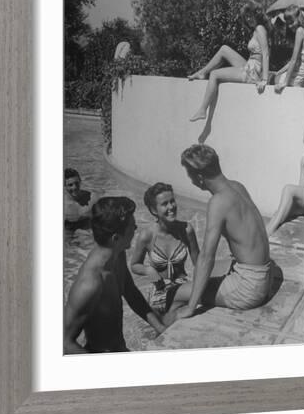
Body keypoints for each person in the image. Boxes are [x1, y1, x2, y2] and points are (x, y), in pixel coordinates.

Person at [163, 144, 272, 325]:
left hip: (249, 288)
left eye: (189, 174)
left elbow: (207, 256)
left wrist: (191, 306)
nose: (190, 179)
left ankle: (164, 333)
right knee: (199, 273)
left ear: (199, 177)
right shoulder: (238, 187)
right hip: (263, 274)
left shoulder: (218, 202)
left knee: (176, 294)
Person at [64, 196, 166, 353]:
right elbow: (65, 343)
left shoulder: (117, 255)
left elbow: (130, 291)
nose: (136, 227)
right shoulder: (89, 285)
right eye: (132, 226)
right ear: (116, 238)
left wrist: (159, 326)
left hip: (119, 350)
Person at [188, 0, 271, 123]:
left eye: (251, 15)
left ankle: (202, 110)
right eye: (246, 17)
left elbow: (266, 53)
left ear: (257, 14)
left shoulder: (260, 29)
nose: (248, 19)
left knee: (215, 74)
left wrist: (264, 80)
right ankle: (201, 72)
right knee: (224, 49)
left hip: (252, 71)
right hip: (250, 65)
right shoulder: (257, 30)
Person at [130, 183, 199, 313]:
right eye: (164, 204)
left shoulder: (186, 230)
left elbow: (199, 262)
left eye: (172, 201)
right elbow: (134, 265)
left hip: (182, 287)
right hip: (159, 292)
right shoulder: (147, 236)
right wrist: (148, 270)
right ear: (154, 210)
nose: (171, 207)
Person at [266, 126, 304, 237]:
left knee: (288, 189)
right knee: (280, 212)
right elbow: (301, 187)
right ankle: (262, 237)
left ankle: (266, 235)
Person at [274, 5, 304, 92]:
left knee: (279, 82)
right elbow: (293, 61)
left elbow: (294, 60)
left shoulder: (299, 31)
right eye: (288, 23)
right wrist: (278, 72)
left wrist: (285, 82)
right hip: (301, 70)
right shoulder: (302, 31)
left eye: (292, 22)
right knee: (277, 77)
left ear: (298, 18)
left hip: (301, 72)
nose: (290, 26)